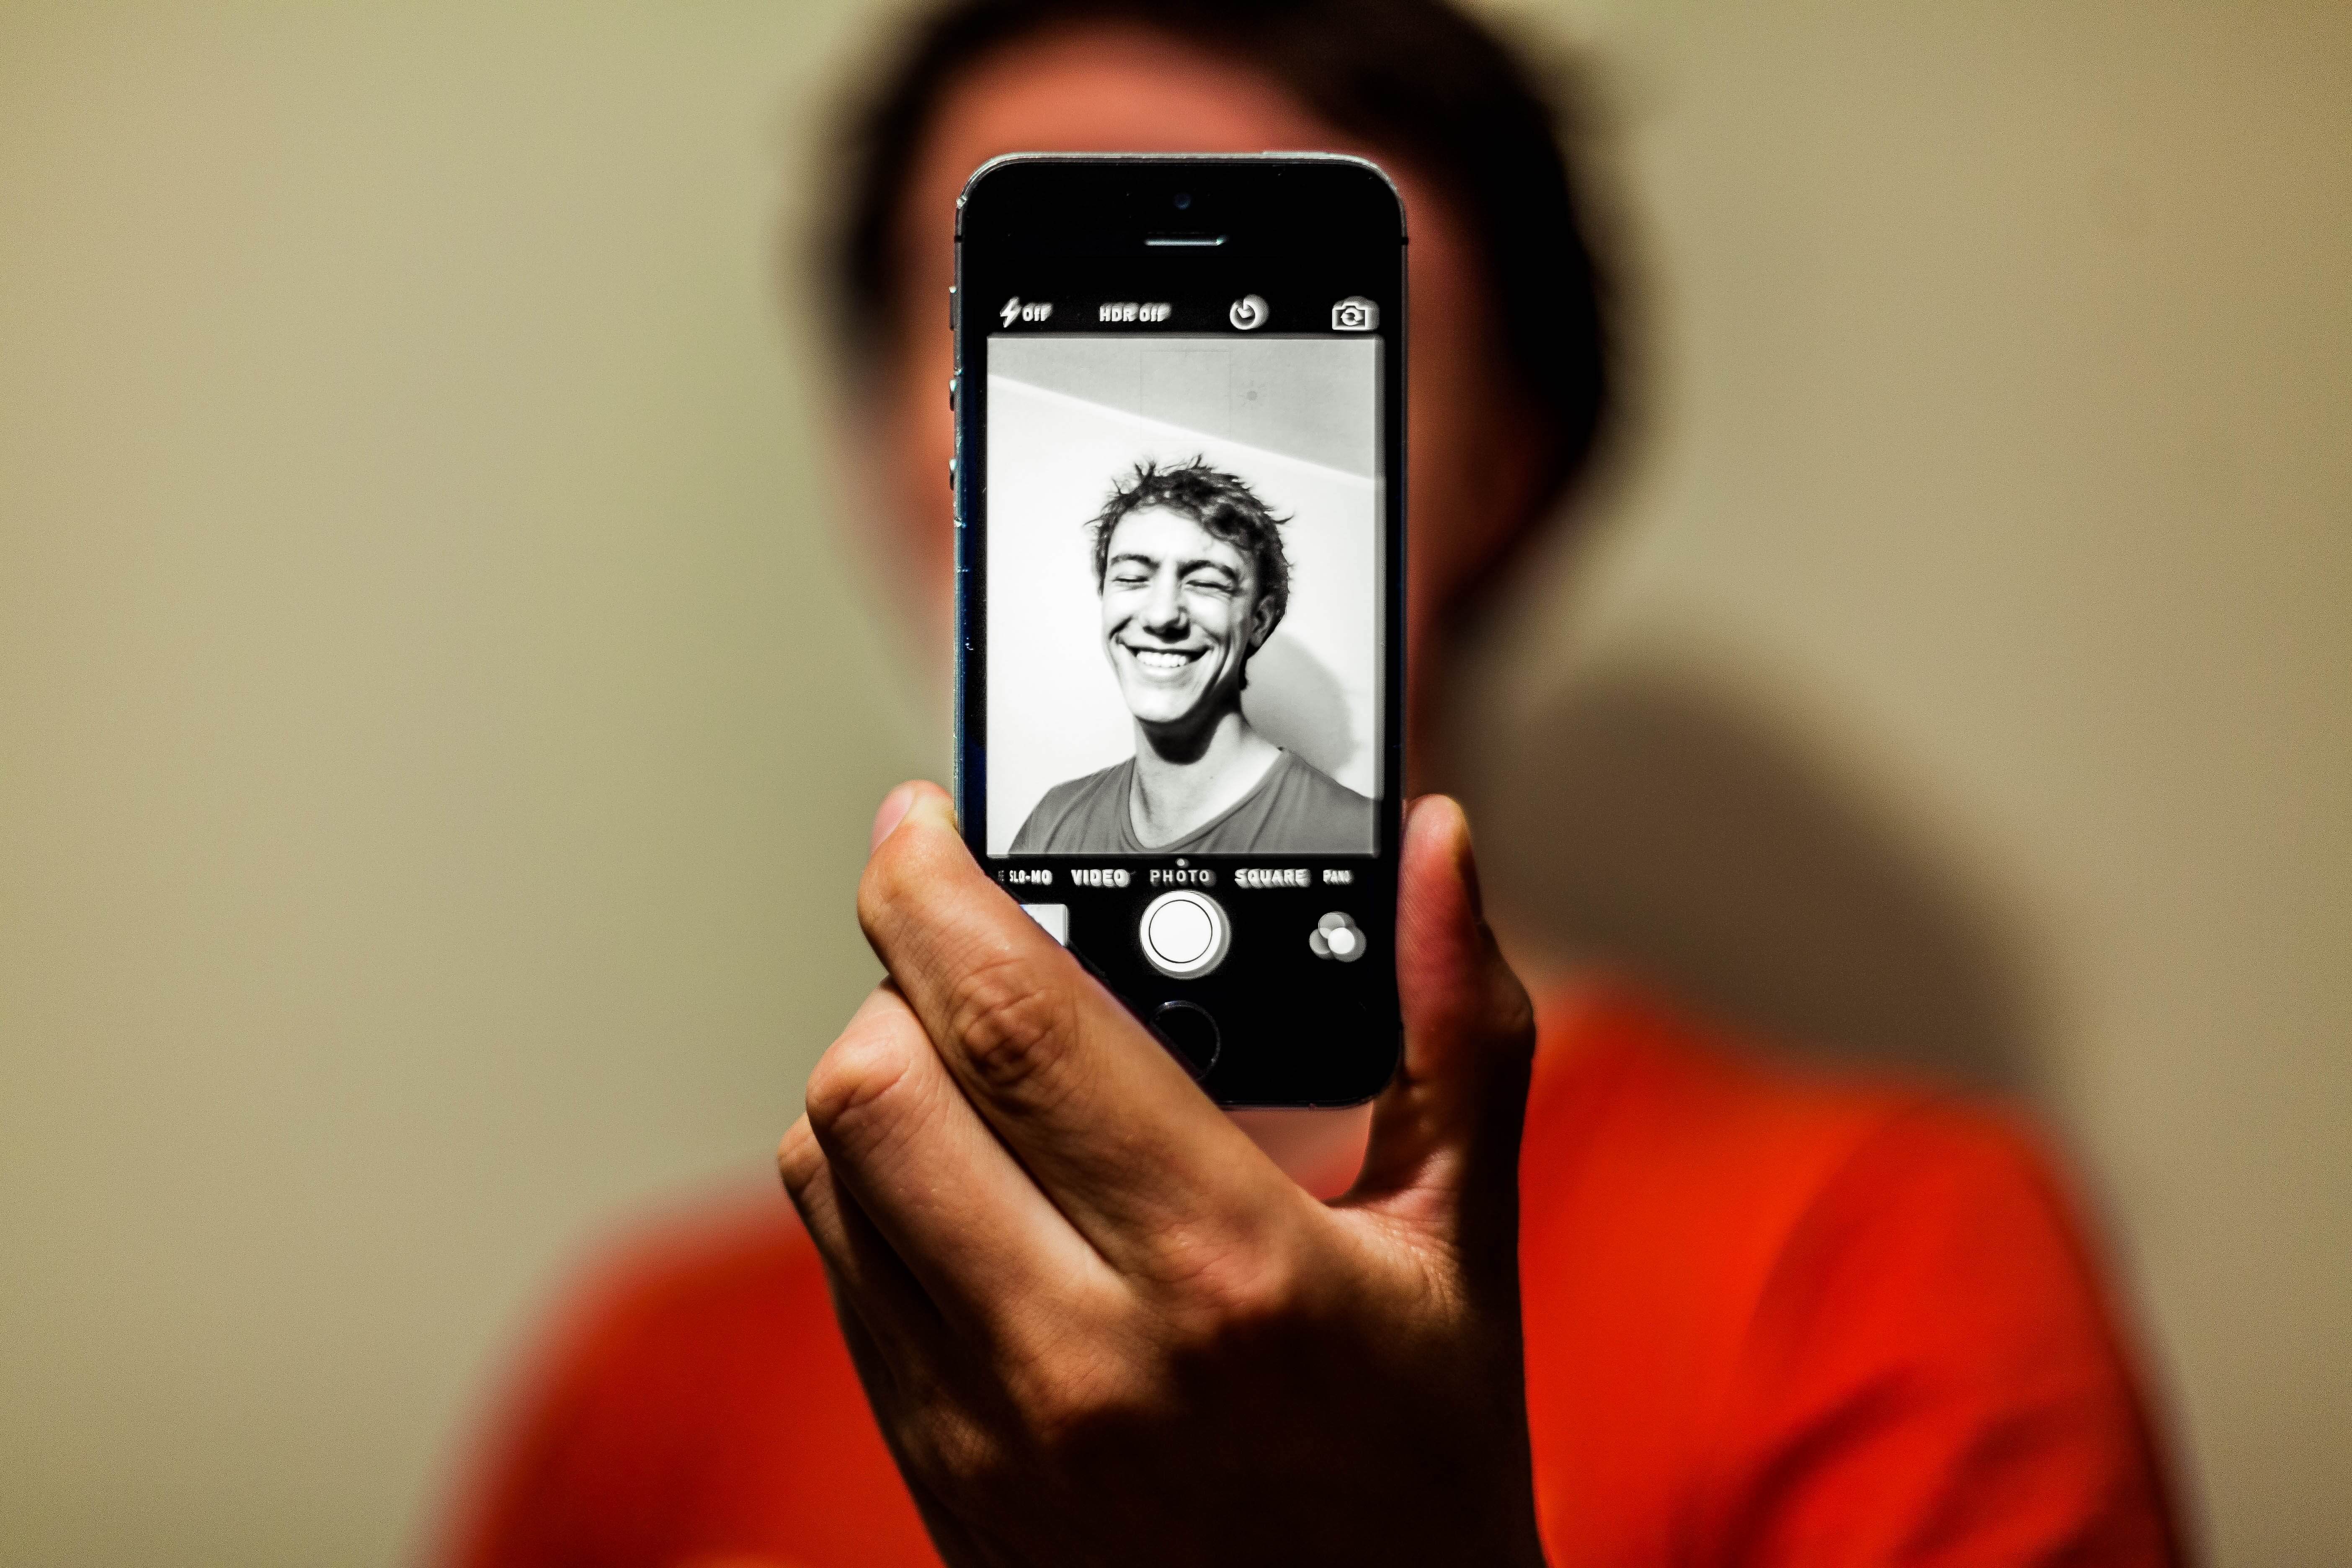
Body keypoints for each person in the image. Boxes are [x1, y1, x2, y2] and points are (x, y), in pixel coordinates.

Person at [436, 2, 2186, 1564]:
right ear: (890, 458)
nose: (1145, 429)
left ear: (1508, 462)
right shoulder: (644, 1387)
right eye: (1042, 333)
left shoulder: (1881, 1267)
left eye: (1260, 352)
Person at [1009, 458, 1374, 854]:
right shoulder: (1052, 825)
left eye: (1206, 583)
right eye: (1131, 578)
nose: (1162, 614)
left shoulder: (1357, 835)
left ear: (1259, 621)